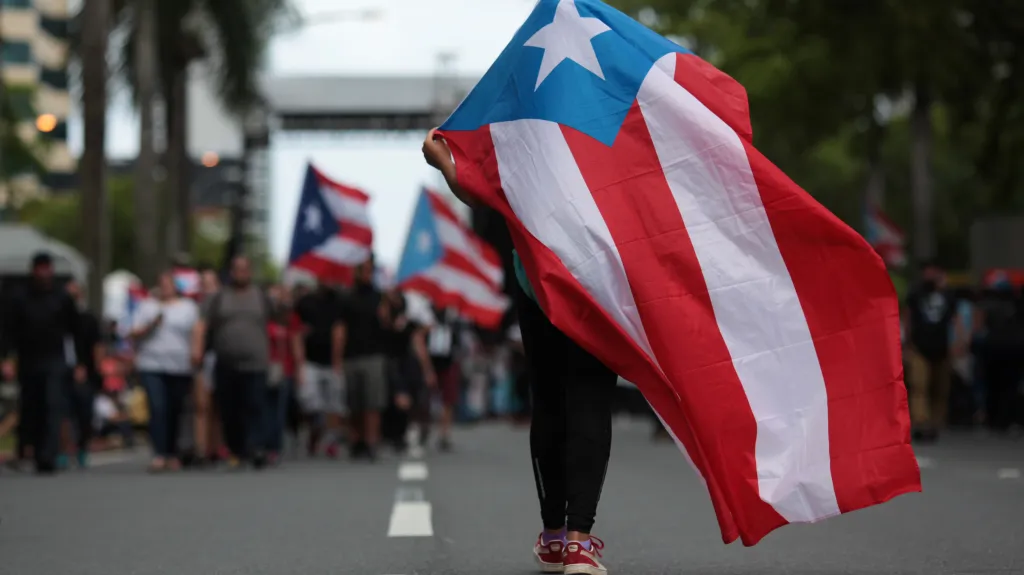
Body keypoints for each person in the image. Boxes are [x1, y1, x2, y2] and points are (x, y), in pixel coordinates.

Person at [423, 129, 614, 574]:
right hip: (595, 282)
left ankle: (552, 540)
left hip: (537, 281)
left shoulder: (523, 126)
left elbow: (487, 195)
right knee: (587, 398)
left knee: (549, 400)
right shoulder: (606, 112)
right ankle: (578, 546)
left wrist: (444, 164)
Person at [0, 252, 82, 474]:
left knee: (52, 404)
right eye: (40, 268)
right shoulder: (19, 297)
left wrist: (80, 362)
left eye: (47, 268)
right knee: (31, 406)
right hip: (28, 360)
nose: (44, 273)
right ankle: (31, 449)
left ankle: (48, 454)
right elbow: (8, 330)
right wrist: (7, 357)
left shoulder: (62, 297)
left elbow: (75, 329)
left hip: (54, 359)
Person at [193, 256, 272, 469]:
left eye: (245, 269)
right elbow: (203, 323)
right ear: (231, 272)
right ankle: (237, 450)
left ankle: (256, 448)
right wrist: (198, 350)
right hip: (226, 362)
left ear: (250, 272)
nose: (241, 273)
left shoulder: (260, 296)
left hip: (256, 362)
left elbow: (279, 319)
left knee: (255, 405)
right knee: (230, 409)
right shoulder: (218, 297)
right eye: (237, 269)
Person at [131, 271, 200, 472]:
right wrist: (152, 324)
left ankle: (172, 452)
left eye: (169, 284)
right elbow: (133, 332)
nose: (166, 288)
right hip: (152, 364)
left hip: (179, 366)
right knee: (157, 407)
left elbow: (196, 331)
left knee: (175, 410)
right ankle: (159, 453)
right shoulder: (147, 306)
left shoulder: (188, 307)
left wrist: (196, 353)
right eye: (162, 284)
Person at [339, 255, 392, 461]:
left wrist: (386, 311)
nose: (366, 273)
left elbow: (387, 326)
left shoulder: (379, 298)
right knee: (354, 403)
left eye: (369, 270)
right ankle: (356, 441)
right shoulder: (347, 297)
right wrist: (338, 360)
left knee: (372, 403)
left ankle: (371, 442)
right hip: (352, 356)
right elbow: (340, 330)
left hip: (373, 356)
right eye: (363, 269)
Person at [903, 261, 958, 442]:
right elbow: (908, 317)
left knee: (940, 387)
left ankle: (935, 423)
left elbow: (955, 320)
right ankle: (921, 422)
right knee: (919, 385)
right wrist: (906, 343)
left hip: (942, 348)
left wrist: (959, 341)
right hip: (920, 347)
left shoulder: (949, 295)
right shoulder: (916, 292)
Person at [292, 282, 346, 458]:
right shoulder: (305, 302)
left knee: (334, 404)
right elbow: (296, 331)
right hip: (310, 361)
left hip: (331, 362)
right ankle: (314, 434)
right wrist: (299, 361)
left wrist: (338, 361)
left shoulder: (339, 302)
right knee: (310, 403)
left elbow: (340, 331)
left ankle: (331, 441)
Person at [65, 279, 104, 468]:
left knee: (84, 413)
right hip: (62, 370)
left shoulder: (88, 318)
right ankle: (62, 449)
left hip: (86, 371)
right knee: (61, 411)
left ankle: (82, 446)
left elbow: (97, 345)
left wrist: (94, 368)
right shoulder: (58, 317)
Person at [265, 284, 296, 464]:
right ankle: (264, 443)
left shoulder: (290, 320)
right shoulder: (264, 321)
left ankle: (275, 446)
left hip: (284, 369)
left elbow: (296, 344)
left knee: (279, 410)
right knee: (265, 408)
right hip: (265, 367)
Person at [426, 306, 460, 451]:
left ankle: (444, 433)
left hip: (447, 362)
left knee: (448, 399)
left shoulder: (453, 317)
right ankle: (422, 429)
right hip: (430, 361)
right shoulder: (426, 314)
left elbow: (457, 341)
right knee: (425, 398)